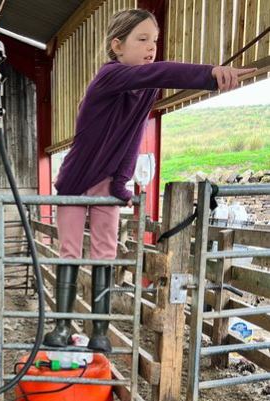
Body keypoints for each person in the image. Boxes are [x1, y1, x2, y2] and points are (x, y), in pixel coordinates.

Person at [45, 8, 255, 352]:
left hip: (107, 180)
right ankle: (62, 327)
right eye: (141, 40)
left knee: (104, 253)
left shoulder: (146, 89)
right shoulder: (109, 76)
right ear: (117, 46)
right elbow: (163, 69)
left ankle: (99, 332)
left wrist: (120, 183)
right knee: (69, 250)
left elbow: (132, 136)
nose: (150, 47)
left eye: (154, 41)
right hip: (75, 180)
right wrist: (210, 73)